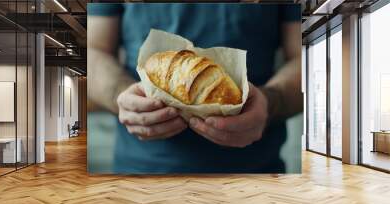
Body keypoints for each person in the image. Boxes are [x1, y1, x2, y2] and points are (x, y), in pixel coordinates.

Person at [88, 3, 302, 173]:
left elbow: (309, 54)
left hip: (255, 176)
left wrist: (270, 102)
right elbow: (94, 49)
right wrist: (121, 95)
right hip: (141, 176)